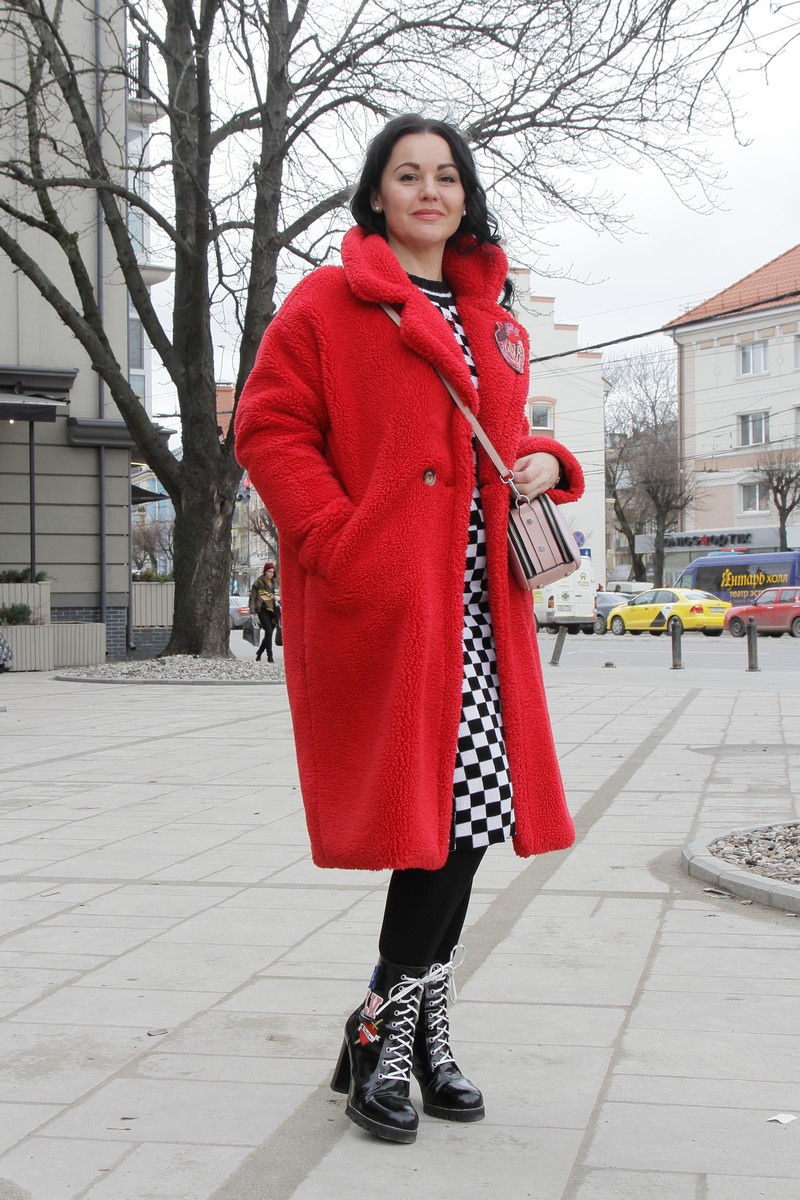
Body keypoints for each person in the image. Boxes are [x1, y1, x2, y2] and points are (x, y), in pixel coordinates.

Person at [235, 114, 584, 1145]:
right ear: (376, 194)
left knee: (467, 822)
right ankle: (391, 1035)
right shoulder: (328, 303)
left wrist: (547, 461)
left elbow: (499, 439)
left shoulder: (496, 322)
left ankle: (403, 1029)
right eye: (407, 175)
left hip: (482, 608)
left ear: (465, 197)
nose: (429, 191)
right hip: (394, 602)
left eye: (445, 176)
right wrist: (338, 541)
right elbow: (266, 426)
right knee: (441, 818)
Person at [248, 561, 280, 663]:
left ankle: (259, 652)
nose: (271, 574)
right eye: (269, 571)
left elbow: (280, 595)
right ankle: (270, 656)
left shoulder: (275, 583)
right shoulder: (258, 583)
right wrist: (252, 611)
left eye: (273, 572)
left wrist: (279, 599)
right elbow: (252, 598)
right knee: (269, 631)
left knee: (269, 634)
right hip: (262, 609)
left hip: (274, 611)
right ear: (265, 571)